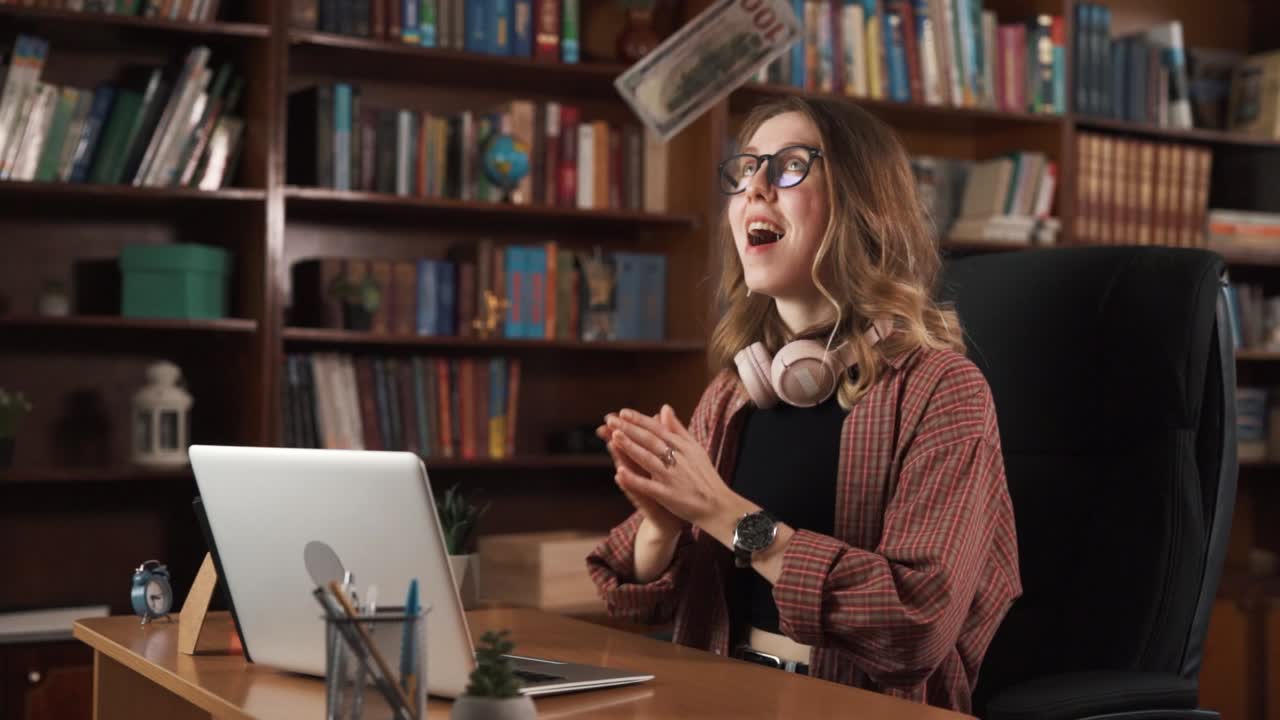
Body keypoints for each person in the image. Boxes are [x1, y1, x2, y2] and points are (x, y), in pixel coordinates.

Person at [585, 96, 1021, 713]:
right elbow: (638, 600)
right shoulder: (733, 395)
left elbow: (914, 624)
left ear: (864, 206)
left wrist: (730, 517)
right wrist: (662, 522)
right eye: (744, 171)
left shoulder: (942, 391)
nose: (755, 188)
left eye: (789, 166)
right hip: (720, 696)